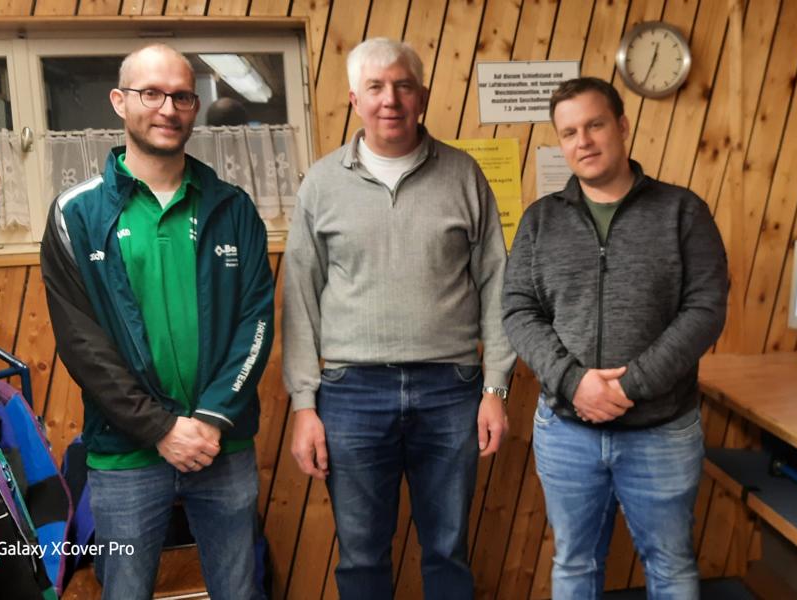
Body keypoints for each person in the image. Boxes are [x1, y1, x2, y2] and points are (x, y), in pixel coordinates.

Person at [281, 37, 514, 600]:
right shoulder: (321, 184)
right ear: (355, 100)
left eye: (403, 86)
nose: (390, 99)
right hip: (350, 393)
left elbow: (497, 284)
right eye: (376, 87)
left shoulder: (464, 176)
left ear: (422, 97)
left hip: (451, 389)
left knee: (448, 551)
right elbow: (299, 298)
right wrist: (304, 405)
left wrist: (495, 388)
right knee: (361, 556)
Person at [40, 43, 274, 600]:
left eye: (182, 96)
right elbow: (82, 344)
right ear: (119, 101)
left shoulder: (232, 207)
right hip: (125, 454)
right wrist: (162, 430)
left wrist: (211, 419)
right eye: (151, 94)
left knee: (240, 591)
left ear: (195, 107)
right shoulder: (76, 213)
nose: (168, 108)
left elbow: (256, 323)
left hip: (221, 446)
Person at [502, 77, 729, 600]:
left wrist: (632, 385)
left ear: (622, 126)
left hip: (661, 430)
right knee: (573, 564)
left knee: (670, 566)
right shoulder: (540, 221)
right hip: (566, 431)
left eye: (595, 125)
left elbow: (705, 309)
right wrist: (574, 382)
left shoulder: (682, 212)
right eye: (569, 132)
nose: (582, 141)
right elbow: (517, 310)